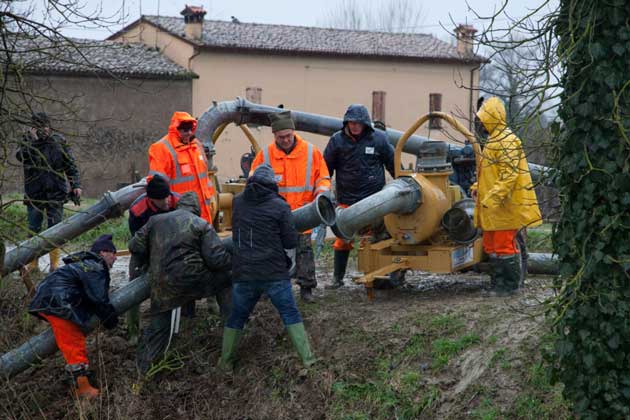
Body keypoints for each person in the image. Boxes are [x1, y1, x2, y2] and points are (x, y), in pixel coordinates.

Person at [218, 164, 316, 370]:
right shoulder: (280, 206)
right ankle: (308, 360)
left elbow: (236, 234)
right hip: (273, 273)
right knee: (290, 313)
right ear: (272, 184)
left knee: (237, 316)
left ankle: (225, 362)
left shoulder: (237, 203)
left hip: (244, 272)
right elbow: (290, 241)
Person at [129, 192, 232, 375]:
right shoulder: (201, 224)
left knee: (159, 328)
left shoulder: (155, 221)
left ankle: (143, 372)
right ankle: (231, 325)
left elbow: (134, 246)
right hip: (194, 282)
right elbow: (217, 260)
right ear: (197, 209)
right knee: (225, 281)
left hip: (162, 285)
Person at [250, 111, 331, 303]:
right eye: (281, 137)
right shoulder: (266, 155)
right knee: (272, 253)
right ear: (274, 136)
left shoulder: (311, 152)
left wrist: (320, 195)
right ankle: (268, 288)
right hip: (275, 216)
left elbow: (323, 178)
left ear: (293, 132)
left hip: (303, 213)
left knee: (304, 251)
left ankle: (306, 288)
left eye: (288, 136)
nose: (285, 140)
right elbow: (254, 180)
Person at [28, 234, 119, 399]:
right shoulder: (95, 267)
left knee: (70, 341)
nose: (116, 258)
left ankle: (81, 385)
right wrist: (112, 321)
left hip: (53, 300)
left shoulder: (84, 264)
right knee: (73, 343)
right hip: (59, 303)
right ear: (103, 252)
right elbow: (100, 298)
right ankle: (82, 388)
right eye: (113, 253)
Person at [472, 96, 542, 295]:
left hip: (504, 207)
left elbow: (509, 176)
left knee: (504, 246)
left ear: (492, 118)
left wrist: (492, 197)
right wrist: (478, 186)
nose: (480, 124)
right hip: (492, 207)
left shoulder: (507, 141)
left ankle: (509, 287)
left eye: (483, 119)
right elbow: (491, 174)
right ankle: (497, 284)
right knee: (492, 247)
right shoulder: (495, 141)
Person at [323, 104, 395, 288]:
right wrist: (324, 192)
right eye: (351, 122)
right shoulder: (336, 141)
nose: (354, 126)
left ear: (365, 123)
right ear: (346, 123)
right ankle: (337, 278)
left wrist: (401, 185)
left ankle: (377, 275)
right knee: (342, 240)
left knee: (375, 240)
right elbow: (325, 169)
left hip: (375, 201)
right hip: (347, 200)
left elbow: (393, 164)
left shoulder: (379, 139)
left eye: (358, 123)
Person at [16, 112, 81, 273]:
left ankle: (54, 265)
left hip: (56, 192)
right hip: (34, 193)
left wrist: (76, 185)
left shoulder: (59, 141)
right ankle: (33, 264)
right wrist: (34, 141)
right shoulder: (26, 141)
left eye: (44, 126)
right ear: (32, 128)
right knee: (33, 229)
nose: (42, 130)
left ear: (49, 126)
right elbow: (21, 156)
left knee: (56, 229)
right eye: (38, 127)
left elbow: (70, 164)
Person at [126, 175, 180, 343]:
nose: (166, 202)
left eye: (167, 197)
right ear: (151, 199)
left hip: (173, 246)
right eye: (161, 200)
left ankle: (179, 321)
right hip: (145, 248)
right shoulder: (137, 210)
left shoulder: (177, 202)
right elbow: (137, 242)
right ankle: (133, 331)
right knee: (133, 284)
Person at [148, 112, 215, 224]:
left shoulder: (197, 146)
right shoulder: (161, 149)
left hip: (204, 215)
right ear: (175, 129)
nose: (188, 133)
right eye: (184, 130)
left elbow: (205, 177)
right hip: (179, 216)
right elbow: (157, 187)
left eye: (190, 129)